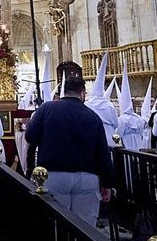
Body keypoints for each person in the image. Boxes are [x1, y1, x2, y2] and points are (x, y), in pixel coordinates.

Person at [23, 76, 113, 225]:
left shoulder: (47, 108)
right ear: (83, 93)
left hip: (54, 174)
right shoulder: (93, 116)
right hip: (87, 177)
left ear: (62, 91)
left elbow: (30, 136)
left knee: (56, 222)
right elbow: (102, 152)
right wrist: (108, 183)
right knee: (86, 227)